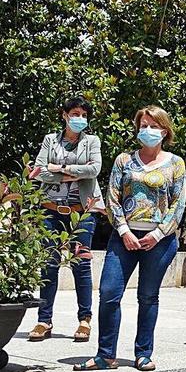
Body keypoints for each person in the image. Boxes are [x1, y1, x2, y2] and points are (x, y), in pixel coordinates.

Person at [74, 105, 186, 372]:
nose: (147, 130)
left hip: (159, 239)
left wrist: (158, 234)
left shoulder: (175, 163)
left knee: (148, 297)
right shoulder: (124, 160)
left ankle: (143, 353)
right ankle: (105, 355)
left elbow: (178, 204)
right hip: (123, 236)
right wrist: (124, 230)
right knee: (109, 293)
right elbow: (112, 197)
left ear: (164, 130)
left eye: (153, 125)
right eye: (143, 125)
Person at [29, 97, 106, 342]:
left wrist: (58, 168)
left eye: (84, 115)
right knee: (48, 264)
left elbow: (94, 170)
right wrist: (69, 174)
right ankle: (44, 320)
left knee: (80, 265)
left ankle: (85, 320)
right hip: (50, 210)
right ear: (64, 114)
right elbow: (39, 171)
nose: (80, 118)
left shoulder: (92, 141)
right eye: (75, 113)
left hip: (81, 212)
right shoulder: (50, 140)